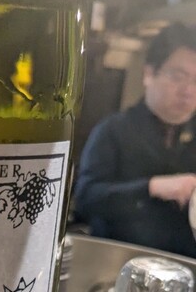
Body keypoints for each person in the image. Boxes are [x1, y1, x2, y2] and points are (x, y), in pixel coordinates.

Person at [73, 22, 196, 258]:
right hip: (116, 263)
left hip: (185, 268)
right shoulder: (113, 130)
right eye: (178, 76)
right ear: (149, 74)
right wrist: (152, 187)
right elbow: (86, 199)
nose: (188, 91)